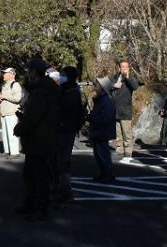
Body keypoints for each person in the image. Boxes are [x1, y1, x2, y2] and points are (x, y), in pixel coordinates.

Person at [14, 57, 59, 221]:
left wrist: (19, 127)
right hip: (44, 139)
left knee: (38, 176)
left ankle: (40, 209)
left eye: (28, 70)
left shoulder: (40, 92)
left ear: (33, 72)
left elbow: (34, 118)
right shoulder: (47, 89)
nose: (27, 73)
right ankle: (32, 206)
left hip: (38, 140)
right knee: (34, 175)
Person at [52, 66, 87, 206]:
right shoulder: (67, 89)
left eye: (63, 74)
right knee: (58, 159)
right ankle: (60, 188)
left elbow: (63, 108)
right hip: (63, 128)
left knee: (63, 161)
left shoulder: (72, 92)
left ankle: (65, 191)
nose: (61, 76)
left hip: (66, 129)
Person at [90, 77, 117, 183]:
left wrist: (93, 118)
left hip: (102, 131)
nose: (95, 86)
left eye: (97, 85)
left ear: (102, 87)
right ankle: (103, 173)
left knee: (103, 154)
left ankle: (108, 174)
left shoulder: (106, 101)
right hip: (99, 131)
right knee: (98, 154)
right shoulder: (101, 99)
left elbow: (106, 118)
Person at [111, 60, 139, 158]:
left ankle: (128, 150)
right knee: (118, 132)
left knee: (127, 132)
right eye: (122, 67)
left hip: (125, 109)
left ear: (129, 68)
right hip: (115, 109)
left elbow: (135, 87)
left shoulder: (130, 79)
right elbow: (105, 84)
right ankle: (119, 148)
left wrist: (127, 76)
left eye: (126, 67)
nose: (124, 69)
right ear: (119, 68)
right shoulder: (115, 77)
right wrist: (114, 85)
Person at [0, 68, 22, 159]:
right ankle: (7, 151)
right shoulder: (5, 85)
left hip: (12, 112)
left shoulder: (15, 84)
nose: (3, 74)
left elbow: (17, 98)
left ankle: (15, 152)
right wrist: (0, 98)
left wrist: (4, 96)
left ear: (12, 74)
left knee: (12, 133)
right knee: (5, 133)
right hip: (4, 112)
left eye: (5, 73)